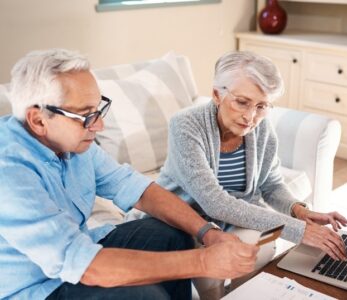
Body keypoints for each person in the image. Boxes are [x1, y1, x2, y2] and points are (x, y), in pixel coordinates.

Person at [0, 49, 260, 300]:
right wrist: (203, 262)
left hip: (76, 256)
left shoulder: (72, 143)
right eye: (86, 115)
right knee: (143, 295)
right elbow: (84, 265)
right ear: (38, 120)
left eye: (98, 109)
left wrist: (208, 233)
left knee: (171, 234)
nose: (99, 125)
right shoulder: (9, 172)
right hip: (34, 288)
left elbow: (138, 189)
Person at [157, 51, 347, 299]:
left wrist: (300, 211)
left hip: (232, 217)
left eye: (262, 106)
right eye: (242, 102)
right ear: (217, 94)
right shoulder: (185, 125)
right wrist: (298, 230)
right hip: (185, 217)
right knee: (211, 273)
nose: (251, 117)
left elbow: (270, 183)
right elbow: (214, 203)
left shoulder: (261, 129)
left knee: (260, 247)